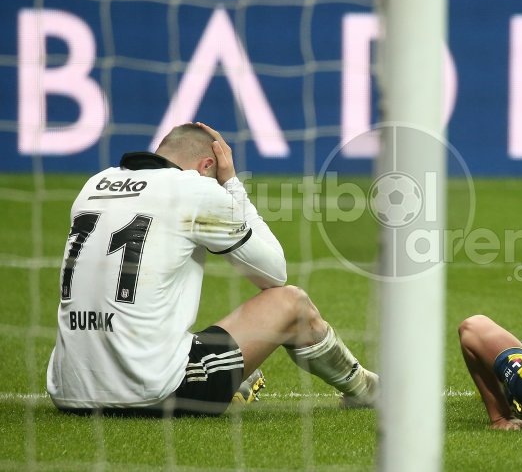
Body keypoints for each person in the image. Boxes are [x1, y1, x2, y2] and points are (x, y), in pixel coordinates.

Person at [46, 122, 378, 416]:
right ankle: (366, 390)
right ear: (207, 164)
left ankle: (234, 376)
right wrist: (231, 183)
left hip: (69, 389)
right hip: (151, 391)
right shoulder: (194, 188)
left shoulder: (95, 184)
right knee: (291, 303)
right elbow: (274, 272)